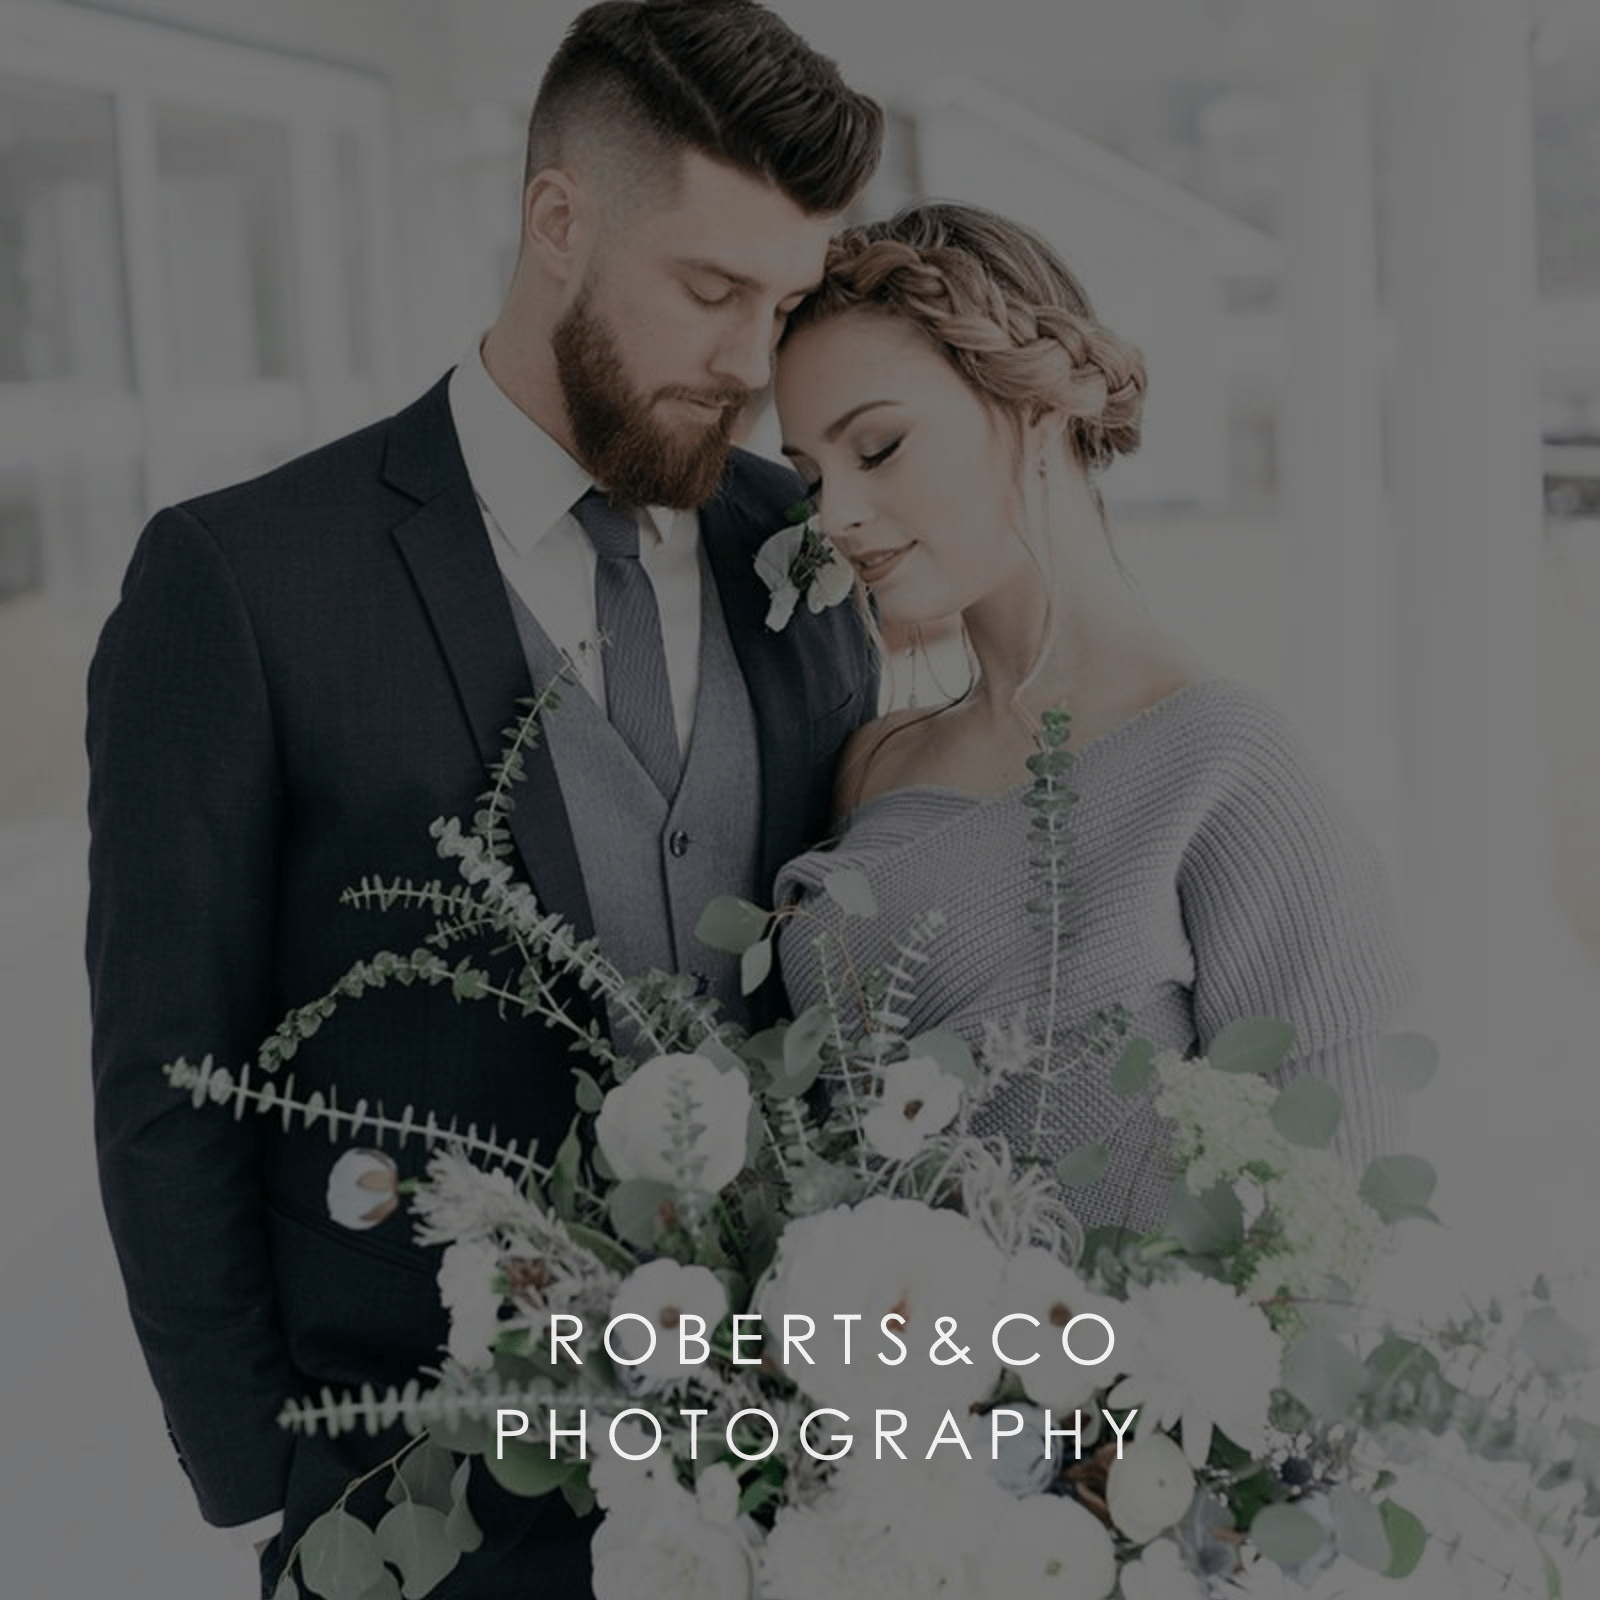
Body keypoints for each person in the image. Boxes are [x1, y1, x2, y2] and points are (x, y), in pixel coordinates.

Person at [84, 4, 880, 1594]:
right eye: (711, 289)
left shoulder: (800, 538)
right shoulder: (242, 580)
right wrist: (266, 1491)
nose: (747, 362)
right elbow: (167, 1079)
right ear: (556, 219)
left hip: (786, 1501)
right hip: (412, 1509)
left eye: (781, 304)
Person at [773, 202, 1410, 1231]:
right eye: (810, 478)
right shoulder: (871, 763)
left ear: (1037, 410)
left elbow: (1335, 1224)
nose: (834, 512)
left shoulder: (1224, 765)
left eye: (877, 447)